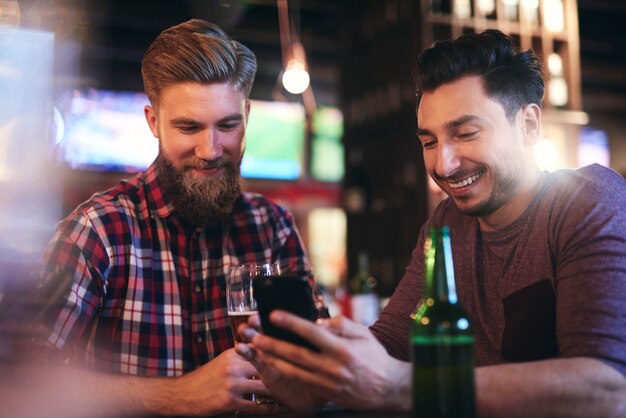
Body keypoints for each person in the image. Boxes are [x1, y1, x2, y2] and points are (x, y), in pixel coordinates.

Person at [236, 29, 626, 417]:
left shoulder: (587, 200)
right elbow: (390, 344)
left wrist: (403, 384)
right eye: (429, 142)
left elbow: (607, 389)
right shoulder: (447, 224)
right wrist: (314, 381)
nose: (444, 164)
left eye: (466, 133)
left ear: (528, 126)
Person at [25, 18, 323, 417]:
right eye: (189, 127)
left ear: (247, 116)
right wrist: (178, 396)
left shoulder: (274, 228)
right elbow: (20, 377)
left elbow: (320, 368)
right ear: (153, 122)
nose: (210, 149)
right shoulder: (97, 230)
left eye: (227, 125)